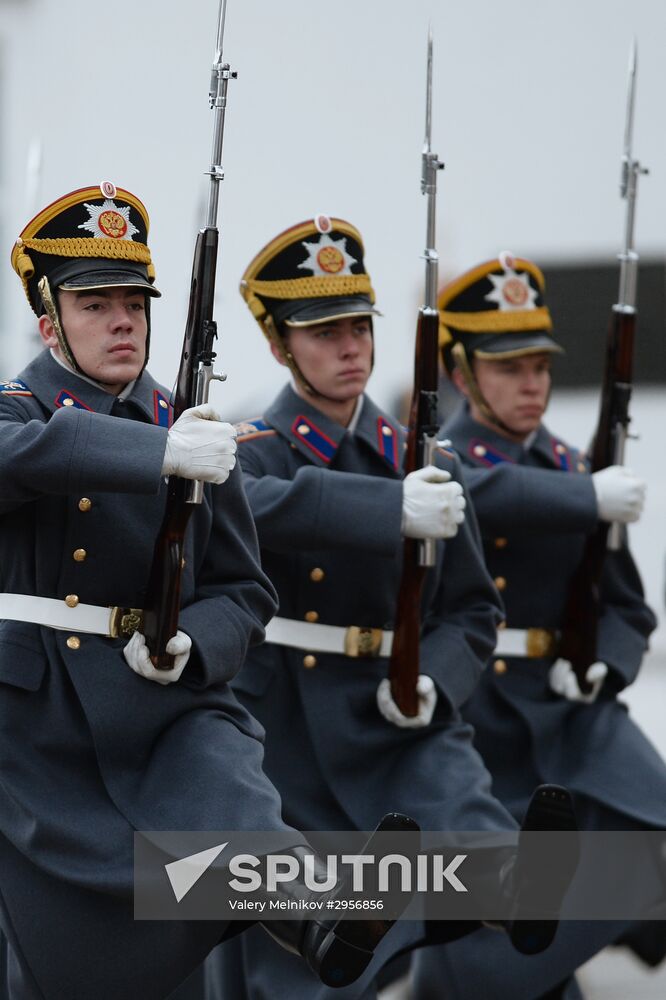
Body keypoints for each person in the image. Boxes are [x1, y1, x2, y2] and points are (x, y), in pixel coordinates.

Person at [0, 185, 413, 1000]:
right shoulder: (21, 411)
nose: (123, 321)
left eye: (134, 303)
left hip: (160, 695)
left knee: (227, 779)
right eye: (95, 304)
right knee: (87, 938)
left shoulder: (189, 424)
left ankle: (311, 915)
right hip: (41, 721)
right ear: (49, 322)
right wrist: (150, 454)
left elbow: (243, 589)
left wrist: (195, 643)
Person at [206, 217, 580, 1000]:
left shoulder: (427, 456)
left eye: (359, 327)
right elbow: (256, 506)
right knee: (300, 967)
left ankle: (513, 885)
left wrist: (431, 680)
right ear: (279, 347)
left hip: (391, 704)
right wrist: (386, 511)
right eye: (324, 332)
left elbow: (473, 610)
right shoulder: (252, 448)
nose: (350, 348)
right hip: (286, 726)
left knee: (450, 777)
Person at [410, 253, 666, 999]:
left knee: (647, 830)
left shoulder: (575, 465)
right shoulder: (439, 460)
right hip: (482, 714)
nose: (533, 385)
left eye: (541, 368)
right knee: (494, 895)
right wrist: (586, 497)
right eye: (510, 368)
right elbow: (485, 495)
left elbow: (626, 606)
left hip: (569, 712)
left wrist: (605, 662)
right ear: (462, 374)